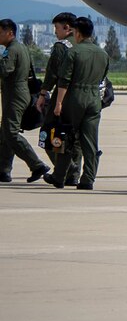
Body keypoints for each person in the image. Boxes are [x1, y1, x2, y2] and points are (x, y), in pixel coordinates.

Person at [50, 15, 109, 190]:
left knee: (66, 137)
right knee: (90, 142)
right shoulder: (103, 54)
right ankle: (88, 179)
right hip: (94, 98)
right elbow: (103, 78)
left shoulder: (73, 52)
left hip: (75, 97)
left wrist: (59, 103)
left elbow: (64, 80)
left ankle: (59, 176)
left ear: (78, 33)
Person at [0, 18, 50, 183]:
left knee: (11, 133)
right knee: (5, 133)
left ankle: (37, 165)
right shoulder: (21, 47)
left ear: (10, 33)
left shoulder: (12, 49)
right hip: (20, 93)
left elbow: (5, 69)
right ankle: (4, 170)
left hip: (15, 95)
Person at [38, 13, 76, 185]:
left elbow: (52, 73)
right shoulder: (83, 45)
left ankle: (66, 170)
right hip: (80, 98)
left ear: (67, 28)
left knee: (49, 133)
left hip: (61, 95)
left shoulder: (61, 47)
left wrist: (42, 93)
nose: (55, 32)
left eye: (57, 28)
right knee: (74, 138)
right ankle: (73, 174)